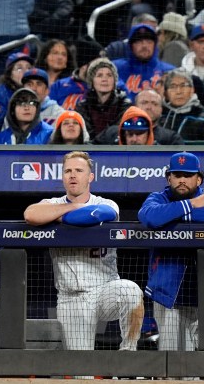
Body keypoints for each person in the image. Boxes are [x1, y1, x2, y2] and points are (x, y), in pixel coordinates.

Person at [25, 151, 144, 354]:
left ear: (90, 177)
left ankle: (128, 353)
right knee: (80, 372)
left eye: (79, 170)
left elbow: (94, 215)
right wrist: (71, 208)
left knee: (131, 291)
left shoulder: (106, 203)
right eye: (68, 171)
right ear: (62, 176)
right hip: (71, 297)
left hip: (105, 290)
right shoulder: (52, 202)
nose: (73, 175)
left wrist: (59, 216)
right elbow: (30, 214)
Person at [137, 152, 204, 351]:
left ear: (198, 179)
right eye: (177, 174)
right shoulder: (158, 197)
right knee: (174, 366)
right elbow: (149, 216)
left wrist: (175, 215)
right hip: (169, 298)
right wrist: (191, 204)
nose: (182, 180)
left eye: (188, 175)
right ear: (169, 178)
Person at [95, 90, 183, 146]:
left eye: (154, 103)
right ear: (135, 106)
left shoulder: (171, 138)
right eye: (144, 102)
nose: (149, 107)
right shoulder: (111, 133)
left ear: (161, 110)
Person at [112, 24, 174, 100]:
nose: (144, 46)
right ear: (131, 46)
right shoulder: (115, 68)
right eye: (139, 42)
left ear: (155, 45)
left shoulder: (169, 71)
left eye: (149, 41)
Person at [158, 68, 204, 142]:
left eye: (183, 85)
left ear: (192, 90)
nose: (178, 91)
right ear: (166, 93)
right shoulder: (160, 118)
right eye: (173, 86)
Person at [0, 52, 33, 129]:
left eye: (29, 68)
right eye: (19, 68)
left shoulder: (33, 93)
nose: (26, 72)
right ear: (10, 73)